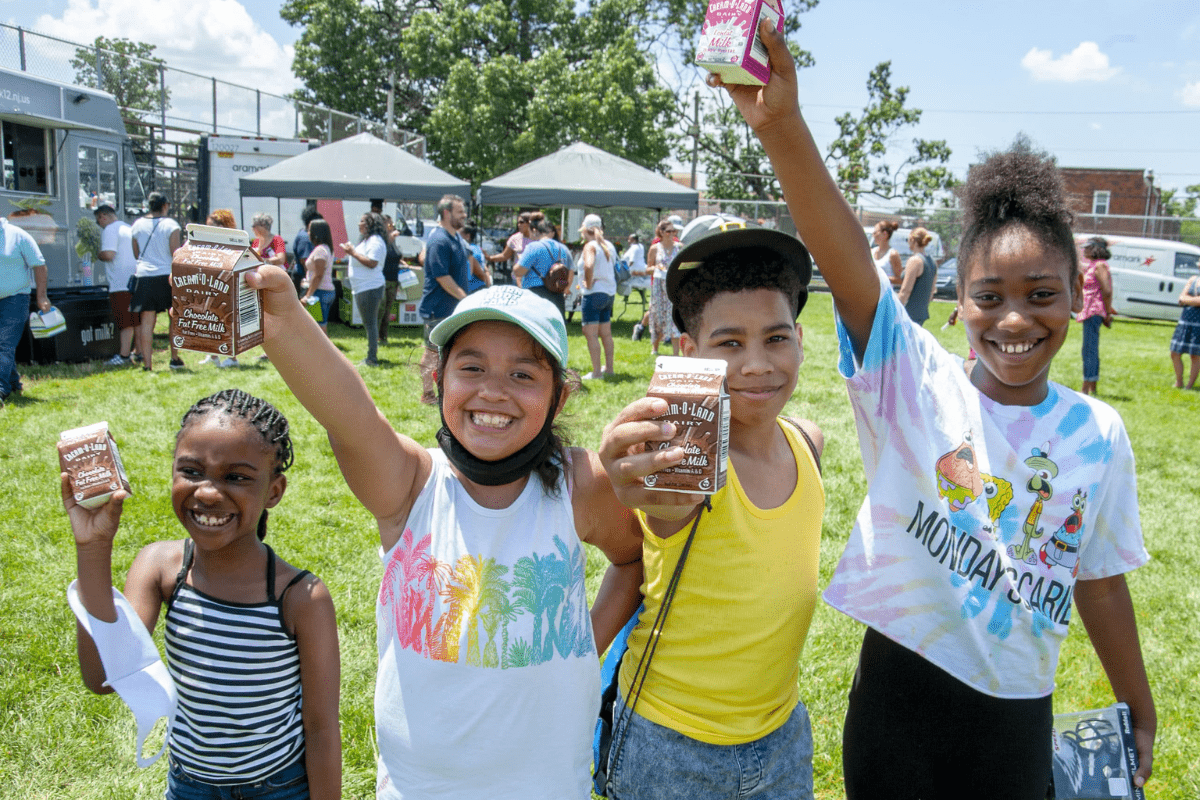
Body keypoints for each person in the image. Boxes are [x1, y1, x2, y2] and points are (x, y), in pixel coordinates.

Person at [714, 23, 1155, 799]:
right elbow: (845, 257)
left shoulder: (1099, 433)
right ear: (959, 304)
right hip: (898, 704)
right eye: (990, 297)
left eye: (1040, 295)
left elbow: (1101, 581)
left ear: (1074, 300)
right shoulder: (914, 381)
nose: (1014, 320)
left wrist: (1137, 703)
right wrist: (781, 125)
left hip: (1017, 717)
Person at [242, 268, 644, 799]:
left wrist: (584, 644)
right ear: (438, 380)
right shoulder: (408, 484)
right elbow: (346, 412)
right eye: (471, 367)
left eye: (523, 375)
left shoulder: (580, 485)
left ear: (559, 398)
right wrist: (285, 316)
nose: (493, 392)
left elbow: (633, 559)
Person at [597, 225, 824, 799]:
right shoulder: (686, 468)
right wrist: (629, 470)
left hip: (782, 737)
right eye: (729, 343)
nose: (756, 364)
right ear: (687, 354)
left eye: (775, 338)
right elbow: (659, 498)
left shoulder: (808, 444)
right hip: (671, 746)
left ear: (799, 338)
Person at [65, 389, 341, 799]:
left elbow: (320, 729)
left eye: (237, 477)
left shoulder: (299, 597)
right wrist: (93, 546)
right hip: (190, 785)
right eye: (192, 471)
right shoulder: (160, 567)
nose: (208, 492)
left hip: (279, 787)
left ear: (274, 491)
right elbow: (103, 677)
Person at [418, 194, 470, 403]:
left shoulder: (455, 237)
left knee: (446, 353)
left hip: (451, 308)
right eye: (460, 212)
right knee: (431, 352)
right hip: (437, 307)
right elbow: (442, 278)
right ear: (447, 213)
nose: (464, 216)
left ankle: (444, 392)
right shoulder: (439, 240)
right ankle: (427, 393)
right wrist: (465, 299)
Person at [130, 191, 183, 372]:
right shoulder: (170, 224)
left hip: (144, 275)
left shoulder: (137, 225)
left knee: (147, 321)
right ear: (165, 206)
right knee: (173, 318)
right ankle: (174, 358)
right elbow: (175, 252)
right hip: (166, 275)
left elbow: (136, 254)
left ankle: (147, 364)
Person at [0, 214, 49, 404]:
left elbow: (39, 265)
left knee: (4, 343)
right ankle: (13, 382)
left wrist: (41, 296)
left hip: (15, 297)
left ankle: (1, 389)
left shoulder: (18, 236)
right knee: (5, 344)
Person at [196, 210, 243, 367]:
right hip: (211, 285)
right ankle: (214, 355)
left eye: (212, 226)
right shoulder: (210, 243)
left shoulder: (234, 243)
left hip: (227, 286)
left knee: (226, 323)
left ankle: (232, 358)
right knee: (209, 321)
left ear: (223, 226)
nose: (208, 229)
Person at [341, 211, 389, 367]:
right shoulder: (367, 240)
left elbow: (372, 262)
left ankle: (371, 358)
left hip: (370, 287)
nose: (359, 224)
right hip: (363, 287)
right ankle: (370, 356)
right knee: (369, 323)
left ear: (370, 224)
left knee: (370, 323)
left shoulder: (375, 241)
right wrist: (352, 251)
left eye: (362, 221)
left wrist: (352, 252)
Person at [94, 205, 139, 366]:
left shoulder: (110, 230)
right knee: (136, 321)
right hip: (134, 280)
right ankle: (138, 352)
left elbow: (108, 254)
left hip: (120, 283)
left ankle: (124, 355)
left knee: (125, 322)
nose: (99, 224)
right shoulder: (128, 228)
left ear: (103, 216)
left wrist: (97, 253)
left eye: (98, 220)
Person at [578, 214, 617, 380]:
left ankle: (596, 372)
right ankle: (609, 368)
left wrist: (587, 283)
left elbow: (588, 265)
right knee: (606, 334)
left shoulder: (590, 246)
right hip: (609, 293)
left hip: (593, 294)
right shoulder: (609, 245)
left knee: (591, 333)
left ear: (585, 229)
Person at [516, 214, 574, 318]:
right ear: (551, 233)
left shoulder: (533, 247)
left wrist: (519, 261)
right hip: (557, 293)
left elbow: (519, 271)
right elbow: (570, 273)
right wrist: (565, 289)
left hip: (535, 292)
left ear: (535, 231)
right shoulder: (563, 249)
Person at [1078, 236, 1115, 396]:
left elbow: (1106, 291)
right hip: (1089, 312)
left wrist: (1107, 314)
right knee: (1089, 348)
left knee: (1089, 350)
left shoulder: (1100, 266)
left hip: (1094, 311)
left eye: (1087, 247)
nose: (1083, 250)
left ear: (1096, 249)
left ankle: (1086, 387)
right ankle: (1092, 386)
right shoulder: (1093, 265)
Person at [646, 219, 681, 356]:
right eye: (669, 231)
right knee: (657, 316)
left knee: (674, 318)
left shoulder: (679, 247)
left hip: (673, 286)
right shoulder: (655, 248)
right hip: (659, 288)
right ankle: (655, 348)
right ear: (661, 232)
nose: (672, 233)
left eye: (674, 231)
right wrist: (656, 267)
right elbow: (648, 269)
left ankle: (676, 353)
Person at [302, 219, 337, 336]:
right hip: (325, 291)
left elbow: (318, 275)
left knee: (318, 327)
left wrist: (308, 295)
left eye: (309, 230)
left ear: (316, 232)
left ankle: (323, 352)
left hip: (319, 293)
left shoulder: (320, 250)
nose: (308, 232)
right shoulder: (327, 248)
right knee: (321, 324)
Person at [897, 226, 937, 327]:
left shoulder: (914, 261)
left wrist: (894, 309)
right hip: (920, 313)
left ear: (912, 240)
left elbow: (905, 290)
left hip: (908, 313)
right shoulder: (932, 262)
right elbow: (932, 291)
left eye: (908, 240)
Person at [1169, 272, 1200, 389]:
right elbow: (1181, 298)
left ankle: (1189, 385)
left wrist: (1187, 299)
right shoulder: (1193, 279)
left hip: (1198, 324)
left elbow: (1189, 299)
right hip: (1185, 321)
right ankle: (1179, 382)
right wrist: (1191, 299)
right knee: (1175, 353)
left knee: (1195, 355)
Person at [378, 215, 404, 346]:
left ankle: (384, 337)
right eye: (389, 223)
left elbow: (396, 255)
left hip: (393, 279)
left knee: (387, 310)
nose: (392, 225)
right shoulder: (381, 239)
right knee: (380, 309)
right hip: (382, 279)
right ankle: (376, 337)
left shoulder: (393, 241)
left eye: (392, 223)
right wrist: (390, 237)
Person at [291, 204, 323, 296]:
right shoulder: (306, 238)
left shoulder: (303, 234)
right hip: (303, 279)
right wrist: (311, 285)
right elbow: (305, 262)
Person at [625, 234, 650, 340]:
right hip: (641, 268)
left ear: (633, 239)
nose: (628, 240)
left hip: (636, 271)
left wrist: (625, 270)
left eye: (629, 238)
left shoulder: (635, 248)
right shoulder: (640, 246)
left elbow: (631, 261)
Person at [461, 222, 492, 294]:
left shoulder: (469, 250)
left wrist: (486, 280)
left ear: (467, 236)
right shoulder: (477, 248)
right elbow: (484, 267)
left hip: (474, 289)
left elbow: (478, 271)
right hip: (480, 286)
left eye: (460, 233)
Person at [870, 220, 903, 285]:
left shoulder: (893, 254)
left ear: (885, 234)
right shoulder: (872, 251)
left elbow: (900, 279)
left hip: (885, 294)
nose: (873, 235)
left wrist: (881, 278)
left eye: (875, 232)